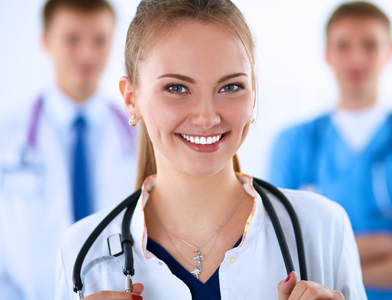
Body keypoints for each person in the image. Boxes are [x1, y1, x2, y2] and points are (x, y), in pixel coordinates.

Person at [55, 0, 367, 299]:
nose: (207, 117)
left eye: (230, 87)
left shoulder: (323, 228)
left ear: (253, 94)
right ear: (131, 99)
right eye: (177, 88)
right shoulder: (84, 253)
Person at [268, 1, 392, 299]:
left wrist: (335, 265)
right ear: (327, 54)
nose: (356, 58)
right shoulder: (294, 143)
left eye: (369, 45)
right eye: (343, 46)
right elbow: (280, 256)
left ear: (390, 52)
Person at [0, 0, 137, 299]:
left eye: (99, 40)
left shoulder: (140, 138)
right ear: (46, 40)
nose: (87, 53)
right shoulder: (7, 136)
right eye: (72, 39)